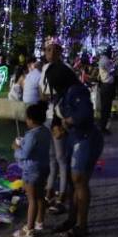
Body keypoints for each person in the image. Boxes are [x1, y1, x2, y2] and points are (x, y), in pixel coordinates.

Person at [47, 63, 104, 237]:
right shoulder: (62, 94)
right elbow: (57, 115)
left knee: (79, 180)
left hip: (86, 138)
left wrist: (67, 122)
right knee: (73, 182)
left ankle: (82, 225)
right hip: (74, 139)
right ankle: (72, 219)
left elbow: (85, 113)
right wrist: (57, 126)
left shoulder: (77, 91)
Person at [41, 42, 75, 215]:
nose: (51, 52)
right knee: (51, 157)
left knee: (62, 158)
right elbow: (42, 93)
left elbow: (69, 92)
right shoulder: (46, 69)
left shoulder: (65, 69)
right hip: (49, 116)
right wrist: (50, 96)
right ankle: (49, 191)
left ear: (60, 52)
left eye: (55, 50)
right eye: (48, 50)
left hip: (60, 118)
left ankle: (63, 195)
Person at [12, 102, 54, 237]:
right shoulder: (46, 131)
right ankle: (39, 222)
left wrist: (16, 148)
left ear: (31, 119)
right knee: (40, 196)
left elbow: (25, 154)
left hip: (32, 170)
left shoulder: (32, 135)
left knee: (32, 200)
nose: (26, 121)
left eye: (27, 118)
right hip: (44, 167)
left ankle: (29, 228)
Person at [97, 47, 115, 135]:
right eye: (110, 52)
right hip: (107, 85)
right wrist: (113, 66)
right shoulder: (105, 60)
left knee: (105, 107)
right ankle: (102, 127)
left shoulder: (103, 59)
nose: (112, 54)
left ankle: (102, 126)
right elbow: (111, 71)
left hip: (106, 85)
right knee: (106, 107)